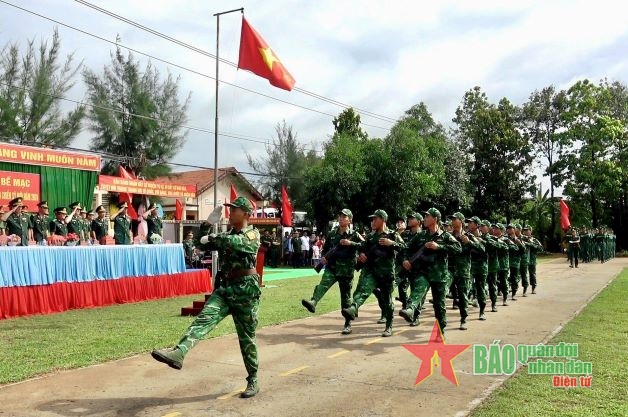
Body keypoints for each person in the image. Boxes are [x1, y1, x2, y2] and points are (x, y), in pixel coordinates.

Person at [151, 197, 262, 398]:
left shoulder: (252, 234)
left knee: (247, 339)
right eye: (230, 209)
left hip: (246, 292)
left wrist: (211, 237)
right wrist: (207, 226)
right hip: (225, 289)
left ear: (246, 214)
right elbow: (199, 244)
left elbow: (238, 243)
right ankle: (179, 352)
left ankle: (253, 378)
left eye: (235, 210)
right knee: (203, 320)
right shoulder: (225, 234)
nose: (230, 212)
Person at [398, 208, 461, 338]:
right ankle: (410, 309)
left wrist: (439, 247)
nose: (425, 219)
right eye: (424, 216)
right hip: (424, 272)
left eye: (427, 216)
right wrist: (405, 260)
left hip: (439, 275)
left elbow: (458, 248)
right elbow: (406, 247)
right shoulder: (421, 235)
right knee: (418, 289)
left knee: (439, 306)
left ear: (435, 219)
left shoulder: (445, 236)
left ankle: (440, 330)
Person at [341, 209, 406, 337]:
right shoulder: (371, 236)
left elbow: (404, 248)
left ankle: (389, 326)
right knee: (364, 289)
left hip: (387, 273)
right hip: (372, 272)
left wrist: (391, 243)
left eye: (375, 219)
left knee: (387, 301)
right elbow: (362, 246)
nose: (373, 221)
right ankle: (353, 308)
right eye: (372, 219)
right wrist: (362, 255)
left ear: (383, 220)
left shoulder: (392, 235)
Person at [301, 209, 363, 335]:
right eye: (340, 216)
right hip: (332, 268)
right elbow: (326, 248)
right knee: (323, 284)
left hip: (346, 270)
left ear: (350, 220)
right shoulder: (332, 233)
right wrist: (324, 257)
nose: (341, 218)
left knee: (345, 298)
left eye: (344, 216)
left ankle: (348, 324)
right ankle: (313, 301)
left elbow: (365, 245)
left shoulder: (354, 234)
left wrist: (350, 243)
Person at [447, 212, 483, 330]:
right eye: (452, 219)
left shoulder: (469, 236)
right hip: (450, 270)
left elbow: (482, 249)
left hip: (463, 270)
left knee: (463, 296)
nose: (452, 221)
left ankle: (463, 319)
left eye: (455, 219)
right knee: (443, 292)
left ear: (461, 221)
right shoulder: (448, 236)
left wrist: (469, 242)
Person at [467, 216, 488, 321]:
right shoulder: (466, 236)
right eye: (468, 223)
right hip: (469, 266)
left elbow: (484, 251)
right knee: (466, 287)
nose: (469, 224)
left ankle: (482, 311)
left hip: (481, 267)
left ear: (477, 225)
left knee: (480, 289)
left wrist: (473, 242)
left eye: (471, 223)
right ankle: (464, 314)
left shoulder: (485, 238)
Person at [523, 226, 543, 293]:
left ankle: (533, 288)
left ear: (530, 231)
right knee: (523, 275)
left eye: (527, 230)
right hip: (523, 260)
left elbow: (540, 248)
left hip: (532, 260)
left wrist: (530, 244)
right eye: (524, 230)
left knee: (532, 274)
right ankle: (524, 289)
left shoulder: (534, 240)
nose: (525, 232)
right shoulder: (521, 239)